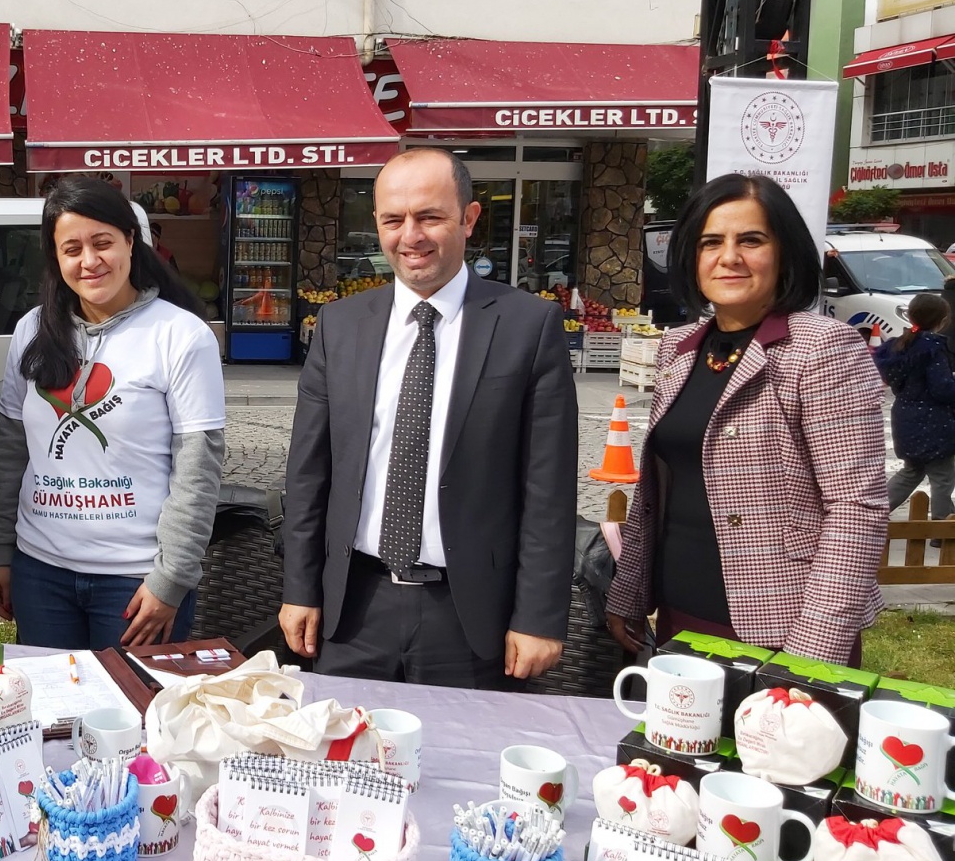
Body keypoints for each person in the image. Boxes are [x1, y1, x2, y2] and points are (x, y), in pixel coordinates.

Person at [279, 147, 578, 687]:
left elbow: (548, 490)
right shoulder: (339, 325)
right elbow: (308, 473)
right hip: (354, 608)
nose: (410, 236)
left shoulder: (527, 326)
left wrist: (538, 616)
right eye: (393, 219)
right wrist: (300, 587)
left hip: (471, 618)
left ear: (468, 218)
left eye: (430, 217)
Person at [607, 174, 888, 666]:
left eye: (751, 240)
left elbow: (856, 508)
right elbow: (654, 494)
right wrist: (628, 594)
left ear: (785, 253)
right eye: (710, 242)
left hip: (786, 628)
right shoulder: (680, 347)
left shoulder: (822, 349)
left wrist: (812, 652)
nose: (729, 257)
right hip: (680, 616)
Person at [0, 177, 225, 650]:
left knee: (132, 716)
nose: (89, 261)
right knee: (51, 717)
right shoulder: (32, 329)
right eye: (71, 248)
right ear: (55, 257)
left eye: (103, 243)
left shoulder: (180, 334)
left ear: (131, 242)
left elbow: (197, 470)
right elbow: (12, 450)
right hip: (41, 572)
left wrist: (170, 579)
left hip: (136, 580)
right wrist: (1, 553)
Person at [874, 292, 955, 527]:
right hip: (934, 423)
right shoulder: (932, 349)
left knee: (911, 471)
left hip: (905, 417)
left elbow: (898, 383)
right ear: (942, 320)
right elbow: (942, 389)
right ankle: (943, 527)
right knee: (942, 477)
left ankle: (873, 515)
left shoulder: (900, 346)